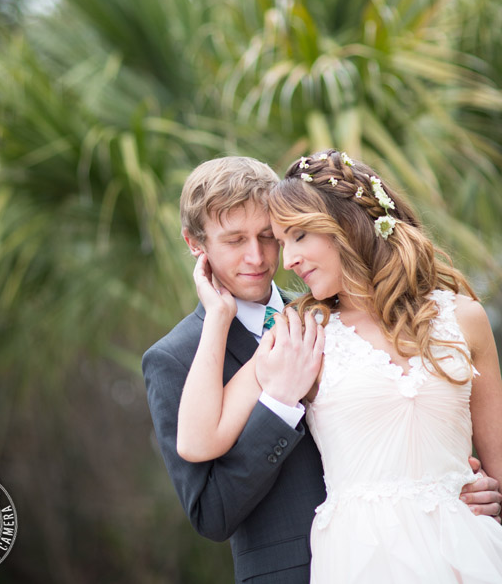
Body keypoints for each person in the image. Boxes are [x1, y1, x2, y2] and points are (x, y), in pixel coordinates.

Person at [143, 155, 501, 584]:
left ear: (344, 226)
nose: (271, 258)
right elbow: (199, 453)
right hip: (351, 558)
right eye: (236, 240)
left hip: (465, 547)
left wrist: (481, 489)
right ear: (196, 244)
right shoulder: (301, 331)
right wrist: (223, 323)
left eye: (277, 237)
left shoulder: (461, 317)